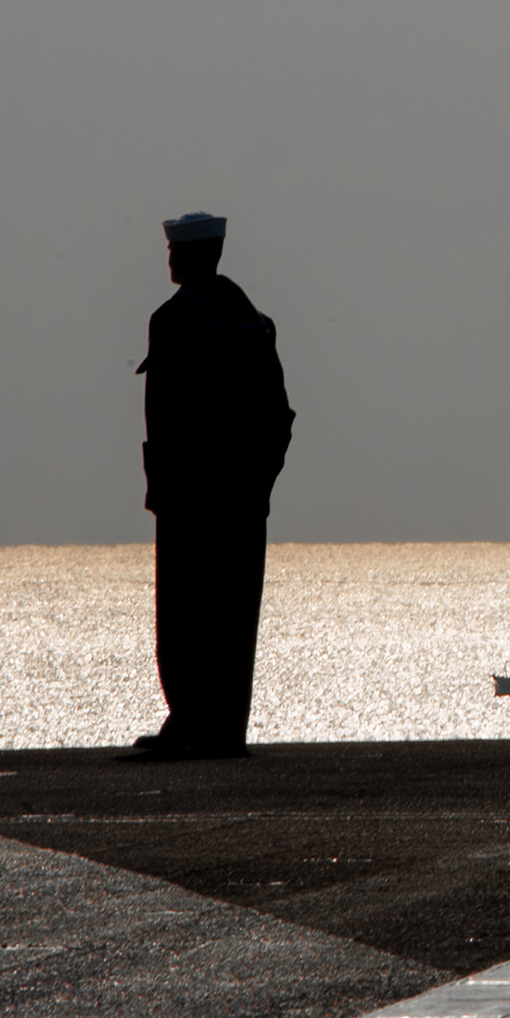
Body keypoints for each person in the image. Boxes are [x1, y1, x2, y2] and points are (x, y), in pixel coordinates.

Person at [135, 212, 294, 759]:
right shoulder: (256, 322)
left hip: (190, 493)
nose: (170, 260)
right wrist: (260, 479)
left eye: (175, 252)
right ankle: (226, 726)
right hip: (244, 495)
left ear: (191, 257)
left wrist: (167, 483)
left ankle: (189, 722)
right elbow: (279, 413)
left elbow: (168, 414)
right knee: (233, 613)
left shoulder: (175, 318)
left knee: (185, 613)